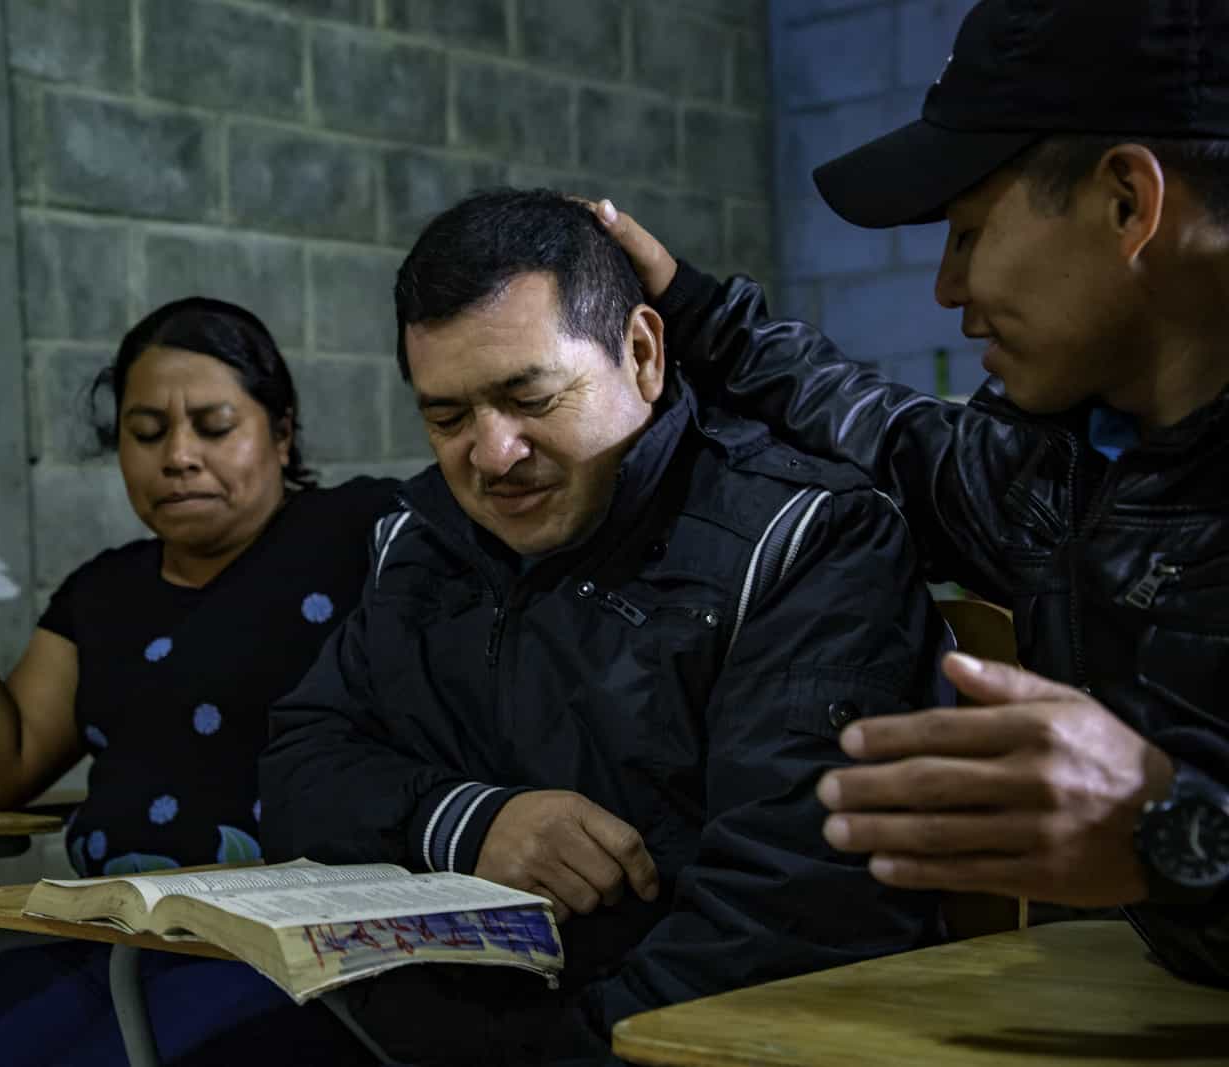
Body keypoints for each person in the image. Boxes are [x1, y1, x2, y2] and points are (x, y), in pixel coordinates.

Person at [598, 0, 1229, 988]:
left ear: (1126, 204)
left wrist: (1174, 828)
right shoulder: (1060, 469)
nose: (944, 286)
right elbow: (885, 431)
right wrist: (701, 313)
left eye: (969, 232)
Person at [258, 189, 952, 1065]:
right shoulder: (421, 543)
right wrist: (465, 823)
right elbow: (298, 769)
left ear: (642, 354)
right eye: (447, 416)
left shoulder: (803, 545)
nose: (492, 454)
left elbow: (786, 919)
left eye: (530, 397)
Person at [0, 298, 383, 1064]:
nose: (177, 454)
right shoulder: (102, 595)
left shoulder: (362, 534)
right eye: (146, 432)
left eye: (214, 426)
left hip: (289, 955)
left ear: (281, 430)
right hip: (104, 943)